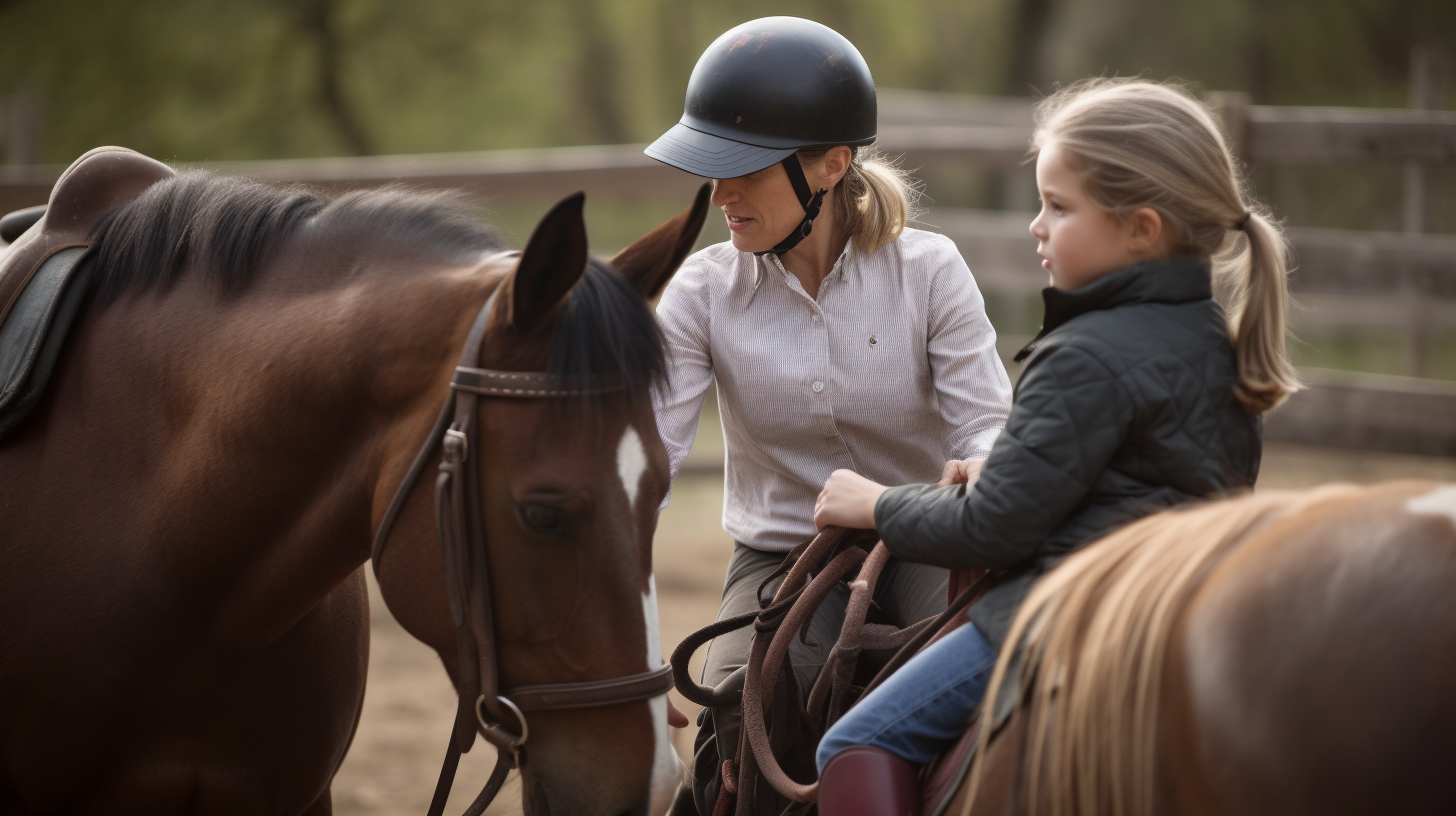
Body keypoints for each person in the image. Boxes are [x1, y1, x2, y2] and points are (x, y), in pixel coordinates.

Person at [811, 77, 1302, 815]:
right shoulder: (1214, 338)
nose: (1036, 227)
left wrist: (876, 503)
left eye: (1059, 207)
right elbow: (1144, 482)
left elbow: (992, 527)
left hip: (1070, 614)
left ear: (1142, 228)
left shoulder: (1080, 354)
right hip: (1183, 606)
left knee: (852, 745)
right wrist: (1006, 469)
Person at [644, 16, 1014, 816]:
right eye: (712, 171)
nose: (720, 194)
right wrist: (634, 653)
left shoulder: (930, 271)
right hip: (778, 552)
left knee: (994, 689)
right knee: (737, 727)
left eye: (742, 170)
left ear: (832, 166)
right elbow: (650, 471)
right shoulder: (701, 295)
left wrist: (985, 465)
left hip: (924, 534)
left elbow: (986, 424)